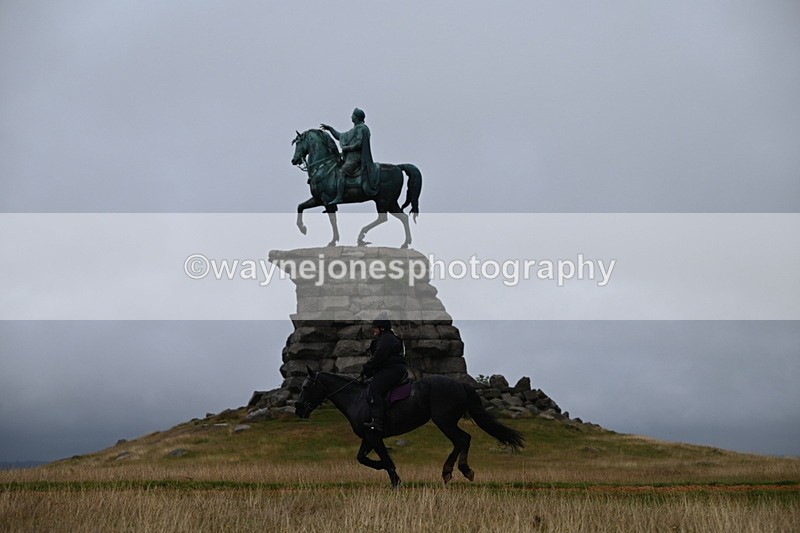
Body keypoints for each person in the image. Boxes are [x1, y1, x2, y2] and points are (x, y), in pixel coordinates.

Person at [320, 108, 378, 205]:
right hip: (350, 158)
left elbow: (359, 143)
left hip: (356, 159)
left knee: (342, 171)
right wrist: (330, 129)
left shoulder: (362, 129)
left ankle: (339, 197)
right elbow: (340, 136)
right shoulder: (354, 130)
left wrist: (347, 148)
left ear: (357, 117)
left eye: (353, 115)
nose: (351, 117)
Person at [360, 316, 407, 433]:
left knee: (374, 389)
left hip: (393, 370)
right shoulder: (386, 338)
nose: (373, 330)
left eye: (375, 328)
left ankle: (377, 423)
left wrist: (367, 367)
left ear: (382, 328)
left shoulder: (386, 338)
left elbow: (379, 356)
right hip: (392, 369)